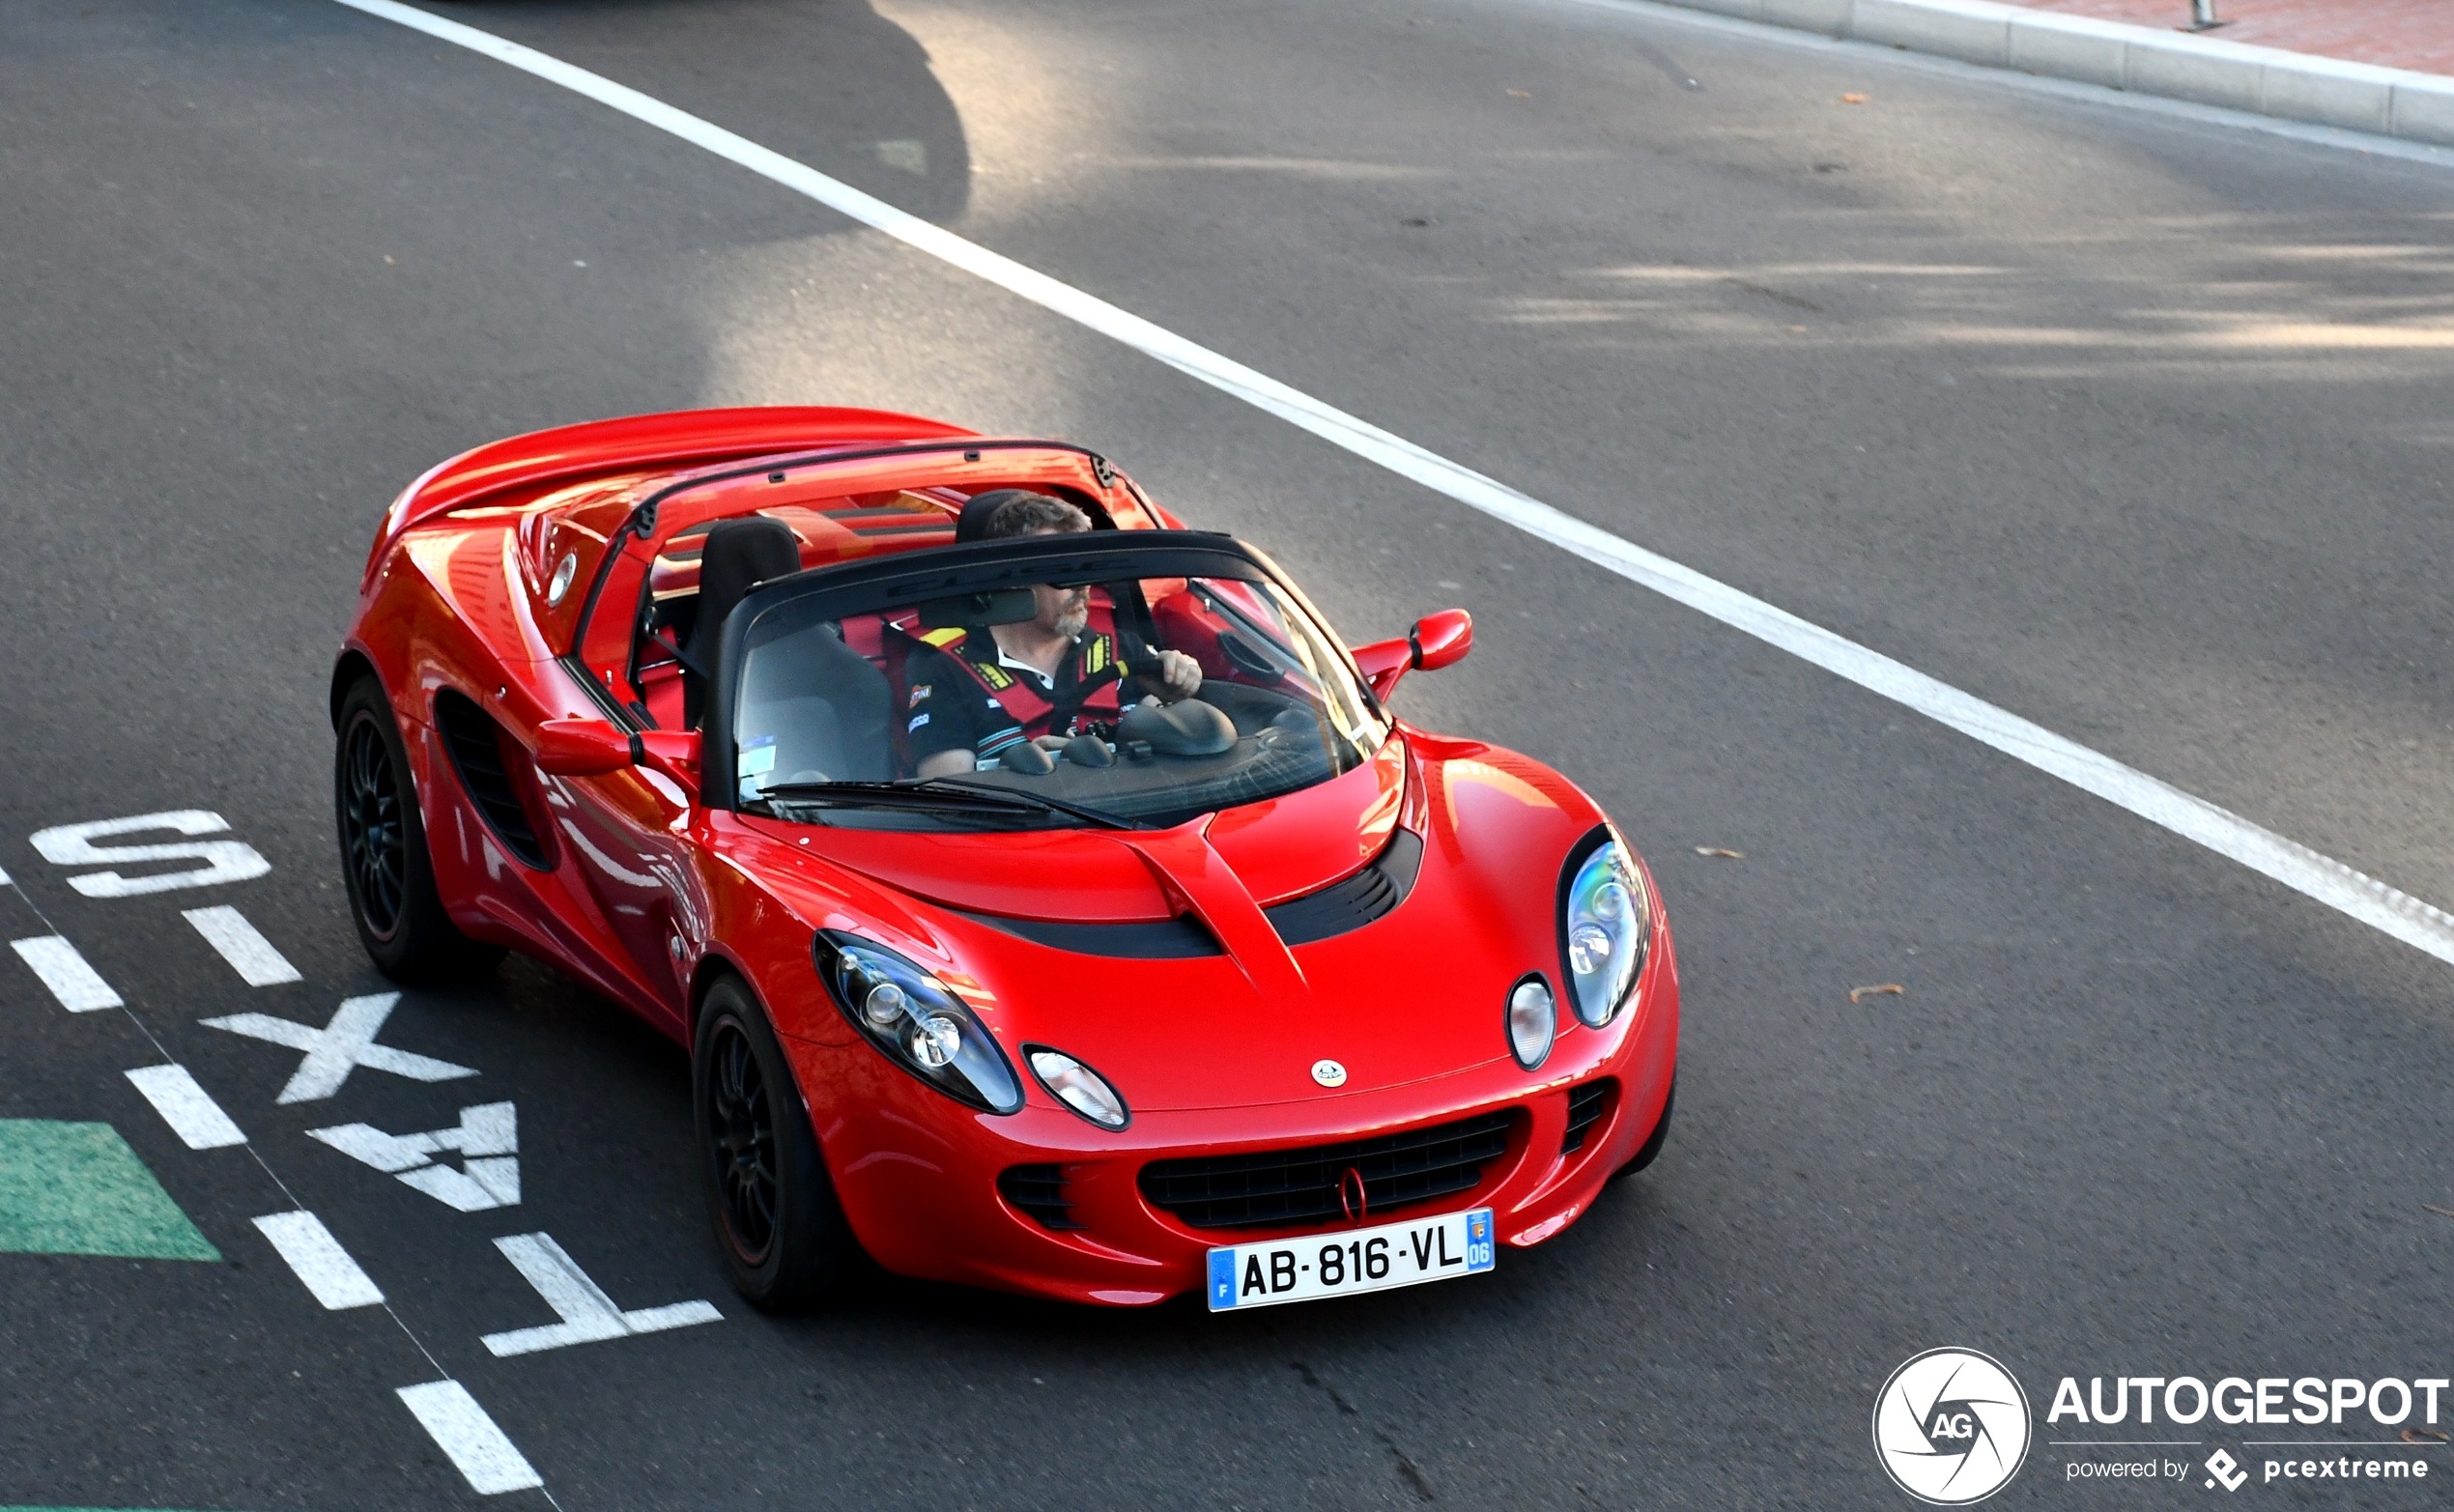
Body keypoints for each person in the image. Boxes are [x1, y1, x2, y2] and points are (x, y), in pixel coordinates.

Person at [905, 493, 1200, 778]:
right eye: (1064, 572)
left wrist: (1178, 693)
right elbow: (947, 793)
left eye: (1087, 568)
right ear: (1008, 579)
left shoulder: (1123, 648)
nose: (1082, 586)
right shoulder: (943, 667)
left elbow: (1179, 759)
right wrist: (1050, 775)